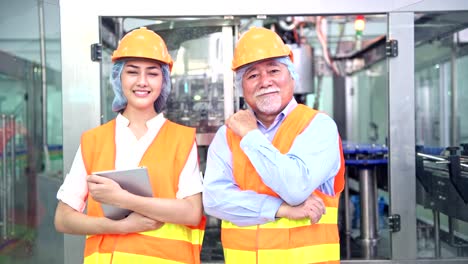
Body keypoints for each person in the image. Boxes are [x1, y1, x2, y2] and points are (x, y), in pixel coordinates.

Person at [54, 27, 205, 264]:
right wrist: (121, 226)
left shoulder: (181, 139)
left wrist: (123, 199)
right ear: (118, 77)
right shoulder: (93, 141)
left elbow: (192, 212)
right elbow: (63, 219)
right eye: (132, 72)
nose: (142, 82)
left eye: (153, 73)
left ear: (164, 80)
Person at [202, 26, 345, 264]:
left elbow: (295, 186)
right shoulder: (226, 135)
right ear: (242, 87)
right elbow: (215, 200)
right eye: (252, 75)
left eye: (273, 70)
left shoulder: (318, 126)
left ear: (291, 75)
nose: (265, 81)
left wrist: (250, 134)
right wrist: (282, 209)